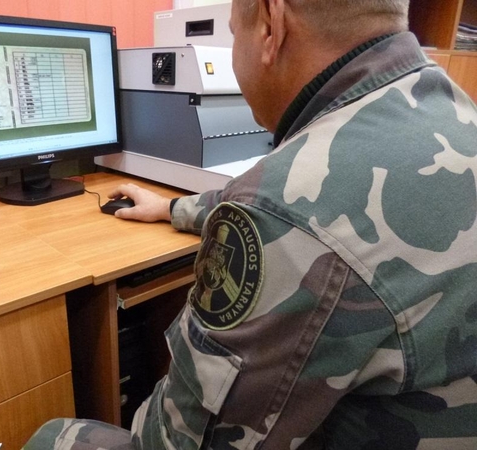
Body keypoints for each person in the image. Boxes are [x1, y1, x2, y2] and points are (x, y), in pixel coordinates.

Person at [24, 0, 477, 448]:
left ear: (270, 24)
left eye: (232, 33)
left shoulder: (281, 211)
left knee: (53, 436)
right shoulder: (449, 110)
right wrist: (172, 208)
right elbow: (313, 209)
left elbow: (174, 444)